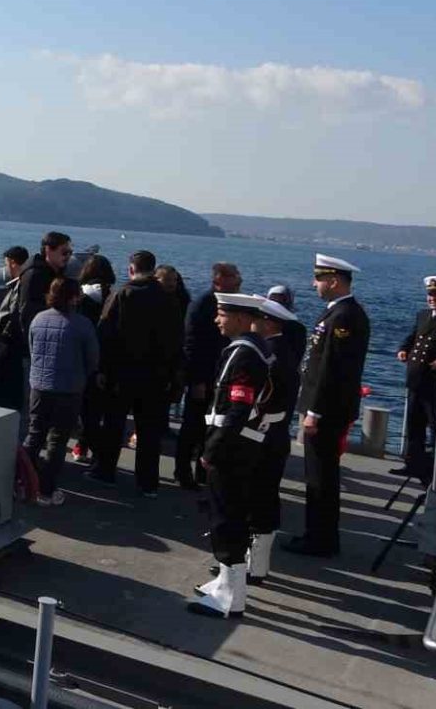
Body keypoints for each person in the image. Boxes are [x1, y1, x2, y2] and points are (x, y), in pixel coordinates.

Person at [188, 294, 274, 619]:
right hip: (238, 444)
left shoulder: (244, 355)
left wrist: (212, 451)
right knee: (226, 515)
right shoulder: (251, 349)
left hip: (231, 448)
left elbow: (238, 408)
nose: (216, 320)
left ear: (239, 318)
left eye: (222, 314)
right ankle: (226, 584)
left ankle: (230, 598)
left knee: (227, 518)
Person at [283, 254, 371, 558]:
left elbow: (331, 369)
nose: (314, 284)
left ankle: (319, 539)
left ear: (333, 281)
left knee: (320, 477)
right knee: (319, 475)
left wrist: (314, 412)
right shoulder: (338, 312)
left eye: (319, 279)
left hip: (327, 411)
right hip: (326, 408)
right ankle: (319, 535)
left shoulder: (344, 316)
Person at [95, 250, 182, 494]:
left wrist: (102, 368)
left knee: (114, 424)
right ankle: (147, 482)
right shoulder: (169, 300)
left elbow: (105, 332)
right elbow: (176, 340)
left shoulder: (122, 294)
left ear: (131, 269)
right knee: (149, 432)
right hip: (156, 375)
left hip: (122, 372)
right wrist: (173, 373)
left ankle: (105, 471)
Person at [25, 277, 100, 506]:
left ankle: (22, 481)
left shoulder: (38, 319)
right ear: (74, 297)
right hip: (68, 388)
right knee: (57, 441)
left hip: (39, 385)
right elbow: (92, 359)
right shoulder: (82, 324)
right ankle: (46, 491)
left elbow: (32, 349)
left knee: (34, 435)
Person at [244, 295, 300, 585]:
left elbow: (260, 401)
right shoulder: (281, 351)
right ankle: (256, 565)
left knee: (257, 499)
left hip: (261, 436)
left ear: (267, 323)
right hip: (273, 435)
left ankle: (252, 567)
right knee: (264, 498)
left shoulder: (269, 356)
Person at [176, 263, 243, 490]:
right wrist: (196, 380)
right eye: (234, 277)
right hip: (204, 376)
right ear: (219, 280)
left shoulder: (231, 303)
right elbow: (192, 345)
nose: (239, 280)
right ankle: (183, 471)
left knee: (212, 427)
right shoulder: (202, 305)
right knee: (193, 426)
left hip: (221, 376)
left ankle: (203, 472)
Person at [393, 275, 436, 482]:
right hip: (416, 377)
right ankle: (413, 463)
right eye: (430, 294)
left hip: (434, 381)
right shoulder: (423, 315)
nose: (432, 298)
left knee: (434, 424)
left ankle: (433, 469)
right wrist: (403, 349)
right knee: (414, 423)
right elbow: (413, 336)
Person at [73, 255, 117, 464]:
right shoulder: (115, 296)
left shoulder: (81, 297)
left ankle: (83, 445)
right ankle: (94, 448)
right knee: (100, 408)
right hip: (108, 357)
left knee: (83, 406)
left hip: (83, 357)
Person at [0, 246, 32, 410]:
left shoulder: (20, 285)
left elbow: (13, 314)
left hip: (11, 347)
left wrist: (3, 340)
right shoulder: (25, 283)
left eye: (6, 264)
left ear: (12, 262)